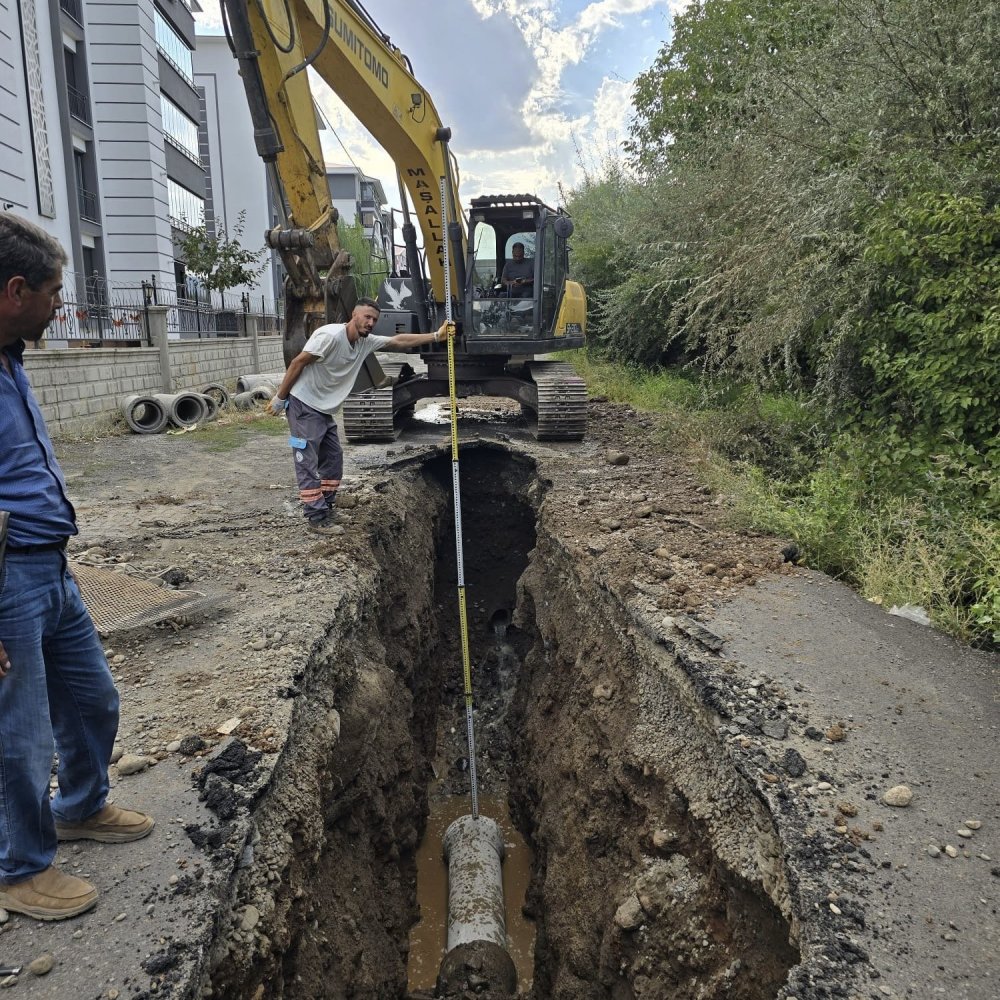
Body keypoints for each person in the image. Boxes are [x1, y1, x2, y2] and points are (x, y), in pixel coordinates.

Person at [0, 213, 154, 922]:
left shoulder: (10, 357)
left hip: (52, 572)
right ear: (14, 290)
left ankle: (80, 807)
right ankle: (21, 870)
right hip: (7, 583)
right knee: (18, 736)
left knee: (94, 701)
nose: (61, 306)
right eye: (54, 293)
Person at [270, 298, 454, 534]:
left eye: (374, 320)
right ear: (354, 315)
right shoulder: (330, 337)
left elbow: (398, 341)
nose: (370, 323)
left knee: (334, 459)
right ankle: (316, 518)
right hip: (304, 404)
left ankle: (325, 507)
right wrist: (281, 397)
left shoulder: (364, 343)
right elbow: (298, 362)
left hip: (324, 409)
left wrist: (436, 336)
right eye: (366, 317)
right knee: (306, 460)